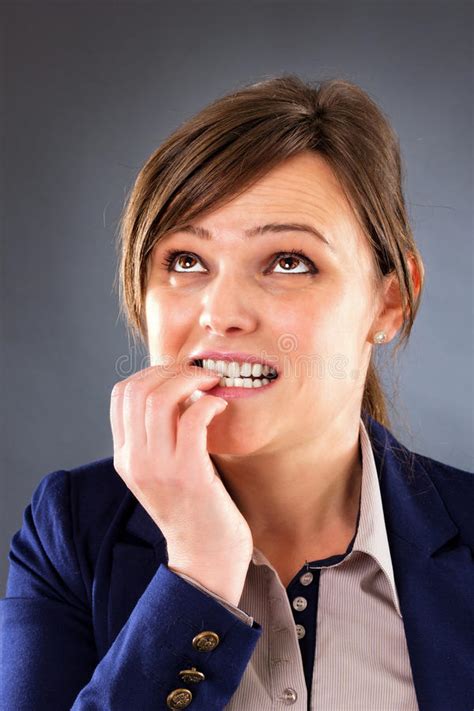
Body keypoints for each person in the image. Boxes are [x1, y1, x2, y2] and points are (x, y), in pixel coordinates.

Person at [1, 74, 472, 711]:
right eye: (186, 261)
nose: (220, 313)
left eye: (288, 261)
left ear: (391, 298)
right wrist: (199, 568)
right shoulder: (73, 532)